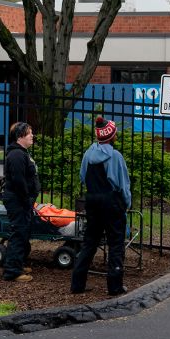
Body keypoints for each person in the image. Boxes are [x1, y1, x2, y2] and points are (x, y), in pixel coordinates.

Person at [71, 117, 131, 296]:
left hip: (92, 201)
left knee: (89, 242)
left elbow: (83, 177)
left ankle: (77, 284)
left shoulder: (88, 154)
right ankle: (115, 286)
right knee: (115, 243)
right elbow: (123, 185)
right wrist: (125, 204)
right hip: (111, 203)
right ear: (111, 135)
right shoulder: (115, 156)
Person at [0, 121, 39, 282]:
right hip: (18, 201)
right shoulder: (16, 155)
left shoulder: (21, 153)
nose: (32, 136)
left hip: (22, 201)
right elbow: (18, 181)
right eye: (29, 133)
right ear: (20, 136)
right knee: (18, 233)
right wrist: (26, 199)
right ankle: (12, 271)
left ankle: (18, 263)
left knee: (22, 233)